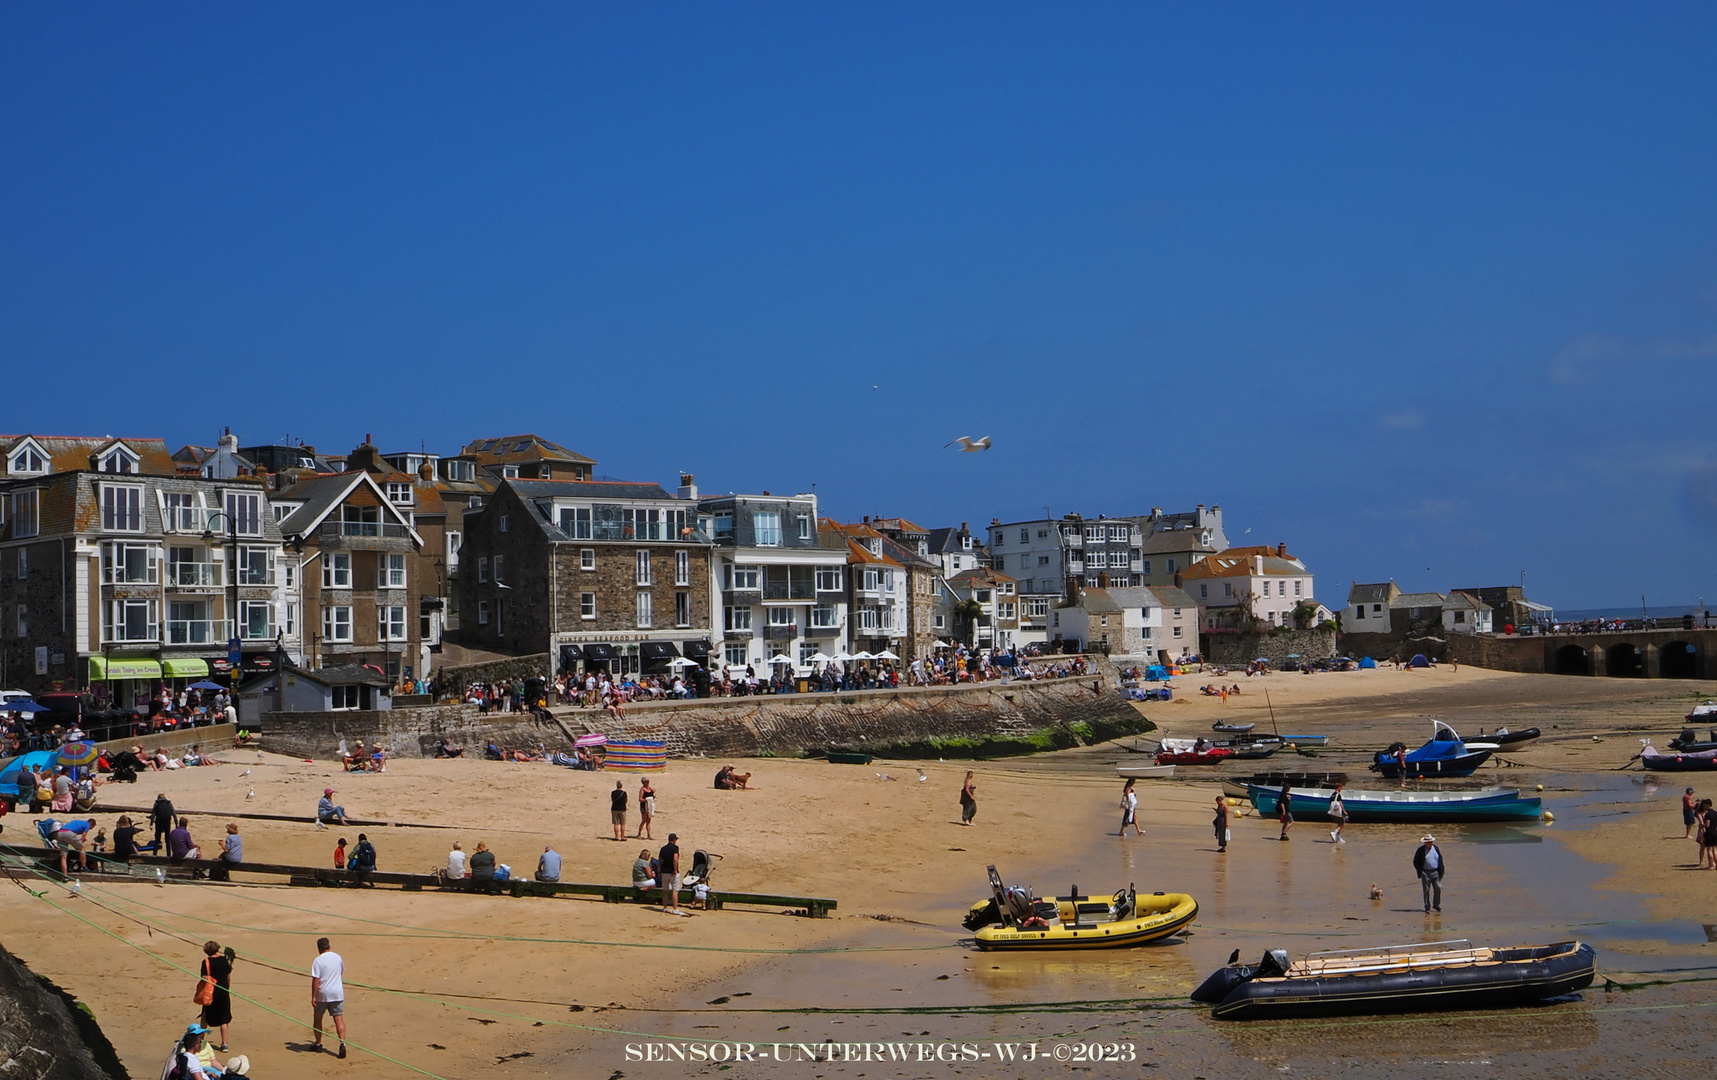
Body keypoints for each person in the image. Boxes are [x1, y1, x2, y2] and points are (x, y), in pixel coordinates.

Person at [309, 937, 346, 1058]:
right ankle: (342, 1043)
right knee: (338, 1018)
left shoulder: (318, 960)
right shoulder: (337, 957)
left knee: (318, 1018)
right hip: (337, 992)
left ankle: (318, 1043)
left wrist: (313, 996)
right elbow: (341, 972)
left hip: (323, 993)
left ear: (319, 948)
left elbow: (316, 979)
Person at [199, 940, 236, 1050]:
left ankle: (201, 1039)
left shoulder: (206, 962)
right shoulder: (224, 960)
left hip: (211, 992)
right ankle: (224, 1043)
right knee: (224, 1018)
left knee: (205, 1015)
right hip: (223, 991)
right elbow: (228, 976)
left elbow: (205, 978)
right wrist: (226, 988)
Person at [1413, 835, 1445, 913]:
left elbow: (1440, 860)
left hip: (1436, 872)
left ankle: (1436, 905)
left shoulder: (1436, 848)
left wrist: (1442, 871)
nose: (1430, 843)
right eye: (1428, 842)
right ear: (1425, 843)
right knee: (1426, 890)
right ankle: (1427, 907)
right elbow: (1415, 862)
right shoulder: (1420, 850)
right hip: (1425, 872)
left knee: (1438, 888)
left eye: (1431, 842)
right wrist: (1420, 871)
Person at [658, 832, 682, 915]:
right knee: (675, 891)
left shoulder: (663, 848)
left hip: (664, 871)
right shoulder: (675, 848)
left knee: (665, 890)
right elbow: (675, 859)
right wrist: (675, 869)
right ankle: (675, 908)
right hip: (672, 872)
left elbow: (660, 861)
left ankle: (665, 907)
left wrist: (659, 871)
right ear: (674, 840)